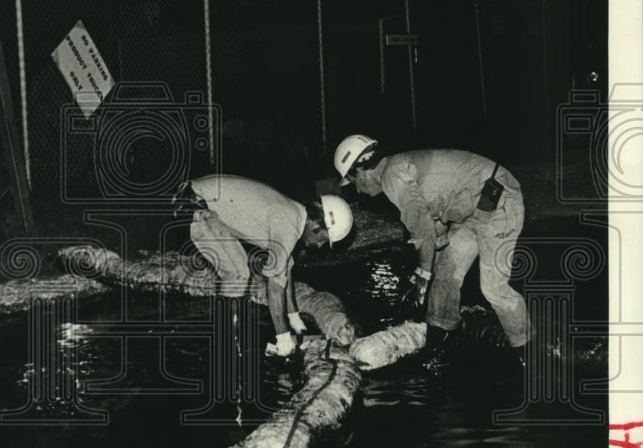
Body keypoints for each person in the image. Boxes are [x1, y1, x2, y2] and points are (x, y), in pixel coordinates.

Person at [333, 134, 529, 365]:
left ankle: (529, 352)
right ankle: (442, 339)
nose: (357, 190)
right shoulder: (397, 170)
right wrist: (433, 256)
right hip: (476, 208)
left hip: (497, 197)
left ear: (360, 170)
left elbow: (422, 229)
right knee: (446, 272)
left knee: (493, 288)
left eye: (352, 182)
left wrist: (423, 275)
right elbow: (434, 219)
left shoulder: (392, 176)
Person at [173, 174, 354, 357]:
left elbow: (286, 268)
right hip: (196, 204)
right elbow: (274, 286)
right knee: (237, 274)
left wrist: (294, 319)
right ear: (317, 225)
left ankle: (232, 338)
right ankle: (229, 345)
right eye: (323, 240)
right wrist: (284, 339)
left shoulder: (296, 215)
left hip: (199, 198)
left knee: (243, 270)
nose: (320, 246)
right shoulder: (288, 224)